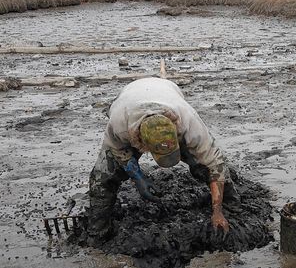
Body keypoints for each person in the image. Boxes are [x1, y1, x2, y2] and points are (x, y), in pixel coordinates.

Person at [87, 76, 233, 239]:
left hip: (167, 90)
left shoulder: (189, 122)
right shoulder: (119, 126)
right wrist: (138, 178)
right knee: (103, 177)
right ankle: (98, 232)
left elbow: (215, 164)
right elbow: (119, 151)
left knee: (206, 166)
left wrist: (217, 211)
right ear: (142, 143)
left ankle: (232, 207)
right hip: (129, 97)